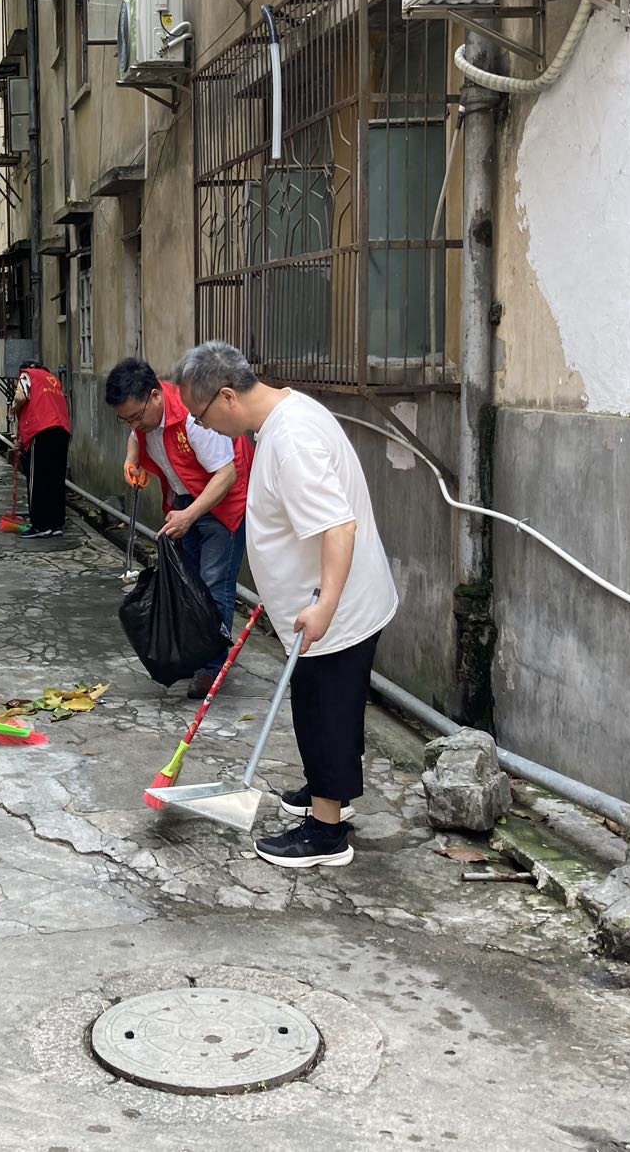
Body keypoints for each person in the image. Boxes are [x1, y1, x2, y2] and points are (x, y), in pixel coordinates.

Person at [176, 341, 397, 870]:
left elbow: (339, 526)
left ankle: (326, 834)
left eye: (201, 416)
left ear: (227, 396)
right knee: (332, 709)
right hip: (327, 600)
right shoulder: (288, 412)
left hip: (333, 611)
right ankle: (328, 792)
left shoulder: (290, 438)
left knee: (323, 713)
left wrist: (324, 606)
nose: (203, 428)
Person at [104, 357, 251, 699]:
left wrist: (190, 516)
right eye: (126, 419)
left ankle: (212, 668)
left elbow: (227, 475)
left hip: (222, 503)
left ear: (156, 396)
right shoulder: (142, 417)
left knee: (214, 585)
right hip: (185, 499)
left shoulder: (193, 418)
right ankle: (194, 653)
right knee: (189, 584)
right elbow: (135, 437)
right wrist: (132, 461)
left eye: (137, 416)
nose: (134, 424)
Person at [11, 360, 71, 539]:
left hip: (42, 431)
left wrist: (13, 408)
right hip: (62, 431)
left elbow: (21, 397)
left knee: (37, 479)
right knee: (56, 479)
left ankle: (40, 525)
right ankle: (56, 524)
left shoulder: (28, 375)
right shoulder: (53, 379)